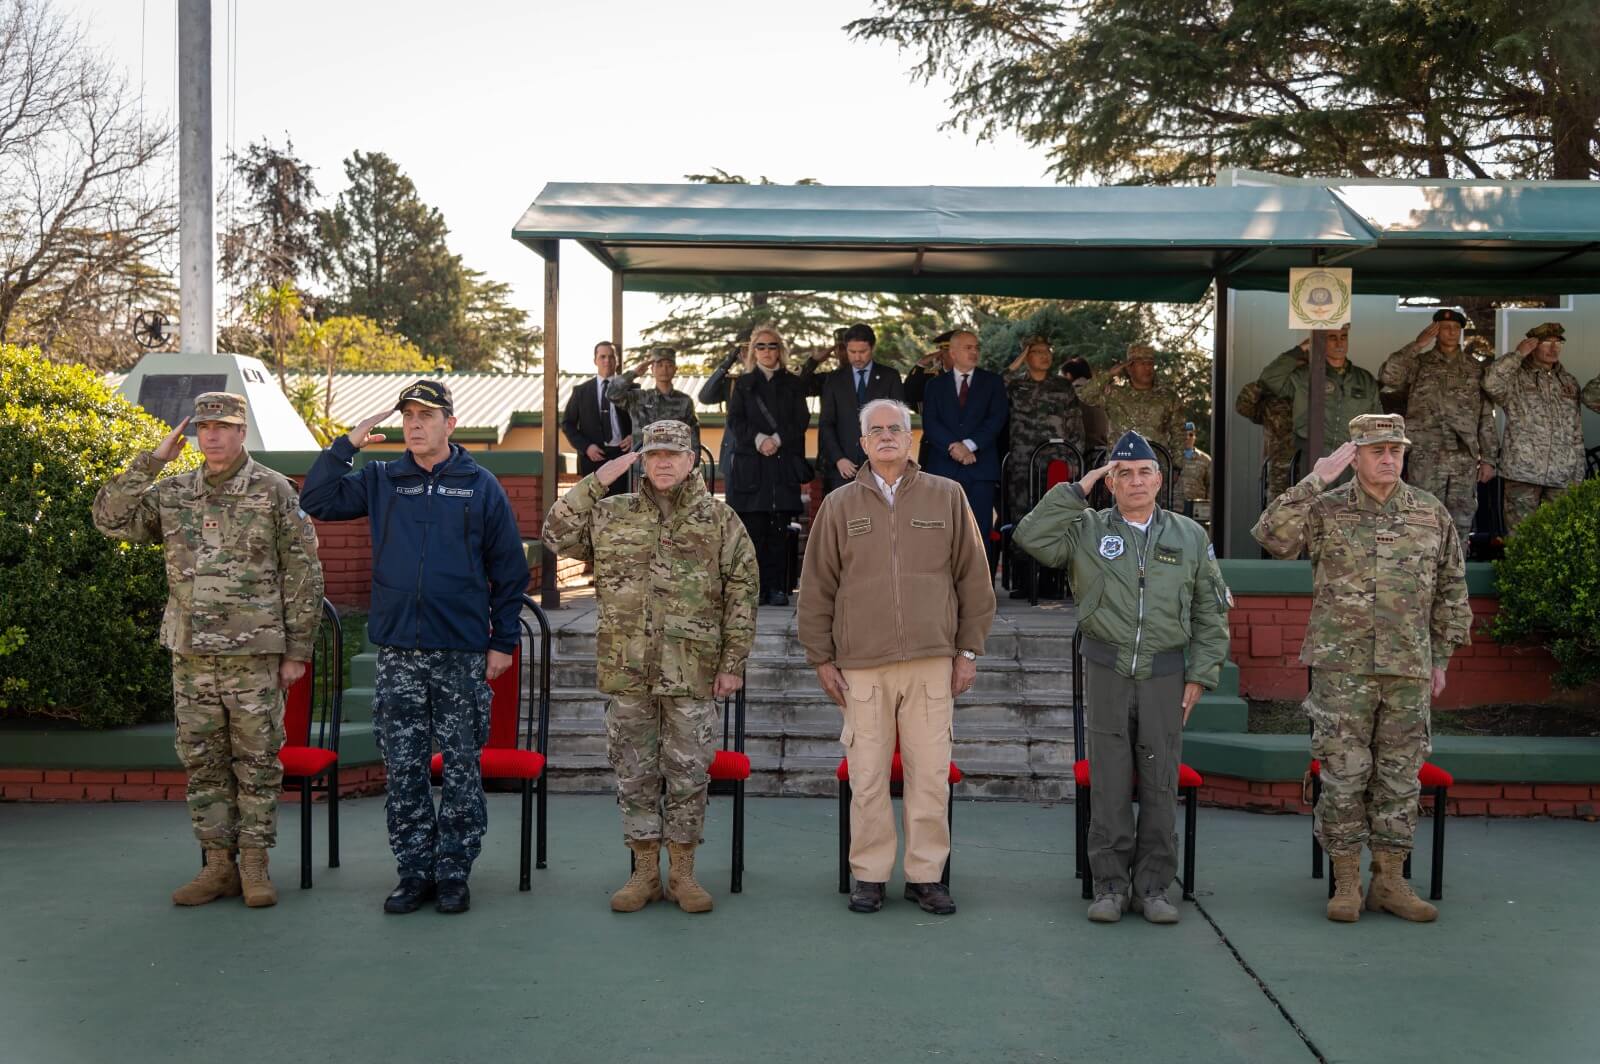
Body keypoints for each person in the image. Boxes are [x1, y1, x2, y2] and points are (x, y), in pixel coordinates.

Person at [300, 379, 530, 916]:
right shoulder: (383, 479)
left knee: (461, 767)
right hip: (400, 653)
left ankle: (453, 872)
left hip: (462, 653)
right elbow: (316, 499)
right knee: (402, 767)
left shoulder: (481, 485)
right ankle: (413, 872)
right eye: (408, 416)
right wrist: (348, 443)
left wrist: (502, 642)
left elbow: (510, 573)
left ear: (450, 423)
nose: (415, 424)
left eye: (426, 415)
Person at [93, 392, 324, 909]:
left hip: (255, 655)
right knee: (202, 761)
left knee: (257, 761)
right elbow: (109, 519)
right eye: (203, 427)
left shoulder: (273, 491)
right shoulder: (174, 492)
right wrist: (151, 462)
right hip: (192, 654)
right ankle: (218, 865)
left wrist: (296, 650)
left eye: (223, 426)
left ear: (243, 432)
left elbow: (303, 573)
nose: (212, 436)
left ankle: (256, 866)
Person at [1252, 415, 1470, 924]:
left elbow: (1451, 591)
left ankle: (1390, 881)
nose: (1389, 458)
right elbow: (1271, 535)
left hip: (1408, 670)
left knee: (1400, 778)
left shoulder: (1429, 514)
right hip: (1341, 668)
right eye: (1377, 451)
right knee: (1344, 775)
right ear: (1356, 455)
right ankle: (1346, 882)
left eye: (1396, 449)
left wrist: (1440, 657)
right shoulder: (1326, 509)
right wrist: (1317, 478)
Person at [1014, 430, 1230, 926]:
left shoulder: (1189, 535)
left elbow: (1211, 612)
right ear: (1111, 482)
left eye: (1144, 472)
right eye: (1123, 473)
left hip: (1165, 673)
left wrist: (1201, 673)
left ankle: (1153, 888)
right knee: (1109, 783)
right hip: (1107, 668)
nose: (1135, 481)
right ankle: (1109, 885)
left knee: (1158, 781)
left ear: (1160, 479)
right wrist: (1076, 488)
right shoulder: (1086, 529)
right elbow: (1031, 537)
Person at [542, 421, 759, 914]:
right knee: (634, 773)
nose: (663, 462)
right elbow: (555, 533)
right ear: (641, 459)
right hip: (629, 670)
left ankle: (682, 874)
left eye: (673, 454)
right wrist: (599, 479)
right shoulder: (612, 513)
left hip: (693, 670)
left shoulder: (720, 521)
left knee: (688, 773)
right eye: (654, 453)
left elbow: (742, 595)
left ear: (691, 461)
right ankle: (644, 874)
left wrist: (733, 663)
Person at [797, 398, 997, 916]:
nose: (887, 436)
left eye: (896, 429)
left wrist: (968, 650)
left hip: (933, 661)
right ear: (862, 443)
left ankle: (926, 875)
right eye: (875, 430)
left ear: (911, 438)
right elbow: (816, 587)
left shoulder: (947, 495)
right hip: (861, 665)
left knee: (930, 774)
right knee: (866, 775)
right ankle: (868, 874)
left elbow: (974, 579)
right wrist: (821, 657)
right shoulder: (839, 505)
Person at [1378, 309, 1497, 540]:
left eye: (1455, 328)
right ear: (1435, 331)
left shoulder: (1474, 369)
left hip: (1463, 458)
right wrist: (1417, 344)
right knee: (1421, 519)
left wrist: (1490, 458)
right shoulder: (1418, 364)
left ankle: (1454, 573)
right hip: (1426, 456)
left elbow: (1485, 417)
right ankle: (1422, 573)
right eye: (1444, 327)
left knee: (1460, 523)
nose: (1451, 332)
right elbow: (1389, 376)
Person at [726, 327, 812, 606]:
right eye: (760, 346)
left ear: (780, 349)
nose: (766, 351)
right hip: (751, 469)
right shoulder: (743, 383)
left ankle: (777, 588)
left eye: (771, 346)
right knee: (753, 532)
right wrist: (759, 439)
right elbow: (735, 421)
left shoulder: (793, 383)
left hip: (781, 466)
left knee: (778, 531)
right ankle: (756, 588)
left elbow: (801, 419)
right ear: (753, 351)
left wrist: (777, 438)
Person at [1482, 323, 1591, 532]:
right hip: (1523, 472)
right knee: (1520, 536)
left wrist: (1578, 474)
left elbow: (1576, 432)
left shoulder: (1568, 382)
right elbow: (1489, 382)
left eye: (1558, 342)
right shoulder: (1515, 377)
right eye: (1547, 342)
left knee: (1558, 536)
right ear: (1532, 346)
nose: (1554, 348)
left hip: (1562, 475)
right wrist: (1517, 355)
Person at [1003, 336, 1086, 597]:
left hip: (1055, 463)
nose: (1045, 356)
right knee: (1021, 517)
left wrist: (1074, 460)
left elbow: (1075, 424)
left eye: (1048, 351)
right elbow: (997, 383)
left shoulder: (1062, 386)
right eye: (1037, 352)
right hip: (1023, 463)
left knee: (1054, 518)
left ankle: (1052, 579)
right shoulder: (1015, 385)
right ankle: (1023, 580)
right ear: (1026, 356)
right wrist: (1018, 359)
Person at [921, 329, 1009, 547]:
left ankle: (979, 582)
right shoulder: (935, 385)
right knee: (941, 533)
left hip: (980, 468)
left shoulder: (993, 382)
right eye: (968, 347)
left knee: (979, 533)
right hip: (943, 468)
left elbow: (997, 419)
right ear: (952, 352)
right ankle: (942, 582)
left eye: (976, 347)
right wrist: (954, 447)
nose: (974, 352)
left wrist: (969, 445)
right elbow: (930, 423)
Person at [803, 323, 905, 496]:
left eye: (863, 352)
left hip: (881, 467)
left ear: (872, 347)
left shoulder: (890, 377)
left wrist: (887, 457)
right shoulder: (834, 380)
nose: (857, 357)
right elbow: (827, 423)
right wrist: (839, 459)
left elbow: (899, 423)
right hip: (843, 468)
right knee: (843, 521)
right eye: (852, 352)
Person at [1259, 323, 1381, 463]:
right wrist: (1299, 350)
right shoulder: (1306, 376)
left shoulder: (1364, 379)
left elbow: (1376, 421)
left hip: (1352, 457)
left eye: (1343, 337)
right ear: (1321, 341)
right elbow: (1269, 378)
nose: (1339, 343)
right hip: (1312, 455)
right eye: (1332, 338)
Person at [1071, 343, 1183, 463]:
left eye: (1150, 363)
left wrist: (1177, 466)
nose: (1147, 368)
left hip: (1155, 468)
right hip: (1119, 467)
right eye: (1142, 363)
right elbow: (1083, 395)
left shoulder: (1168, 397)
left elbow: (1179, 433)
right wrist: (1109, 375)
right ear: (1129, 367)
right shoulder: (1114, 394)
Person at [561, 341, 633, 499]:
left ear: (618, 360)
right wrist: (586, 447)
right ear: (595, 360)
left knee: (622, 508)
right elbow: (567, 424)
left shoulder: (631, 389)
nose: (607, 360)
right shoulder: (581, 392)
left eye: (611, 356)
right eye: (602, 357)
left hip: (624, 457)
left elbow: (644, 421)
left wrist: (634, 436)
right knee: (595, 511)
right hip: (593, 460)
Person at [608, 346, 701, 455]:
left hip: (673, 465)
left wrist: (692, 466)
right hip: (641, 467)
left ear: (675, 369)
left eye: (669, 365)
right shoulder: (639, 398)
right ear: (652, 369)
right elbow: (611, 394)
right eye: (660, 365)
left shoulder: (685, 401)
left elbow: (693, 437)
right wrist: (634, 373)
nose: (664, 369)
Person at [1235, 377, 1299, 501]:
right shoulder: (1273, 401)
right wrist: (1267, 381)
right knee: (1277, 516)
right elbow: (1243, 405)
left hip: (1313, 470)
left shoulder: (1317, 393)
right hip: (1279, 473)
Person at [1061, 357, 1110, 454]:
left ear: (1069, 375)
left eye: (1061, 376)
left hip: (1080, 453)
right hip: (1102, 452)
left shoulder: (1071, 394)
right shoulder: (1101, 393)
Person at [1174, 421, 1212, 517]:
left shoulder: (1205, 460)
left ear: (1195, 437)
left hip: (1196, 510)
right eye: (1184, 435)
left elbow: (1211, 486)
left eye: (1190, 435)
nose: (1187, 438)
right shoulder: (1171, 457)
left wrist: (1209, 509)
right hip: (1174, 509)